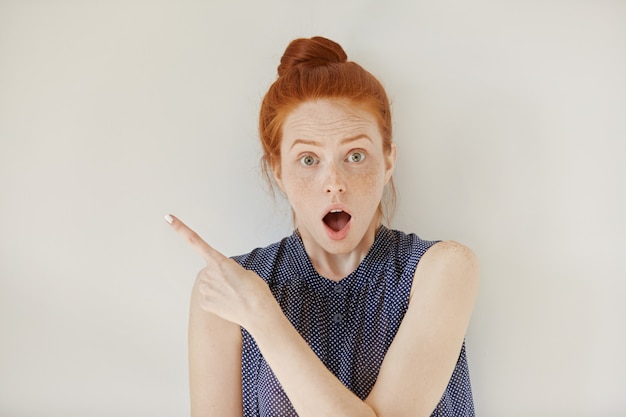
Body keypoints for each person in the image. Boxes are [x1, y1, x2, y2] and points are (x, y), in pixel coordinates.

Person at [165, 36, 479, 417]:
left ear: (388, 161)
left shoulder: (443, 269)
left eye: (356, 155)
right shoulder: (226, 289)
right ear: (277, 170)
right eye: (309, 159)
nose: (334, 181)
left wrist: (263, 317)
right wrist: (248, 304)